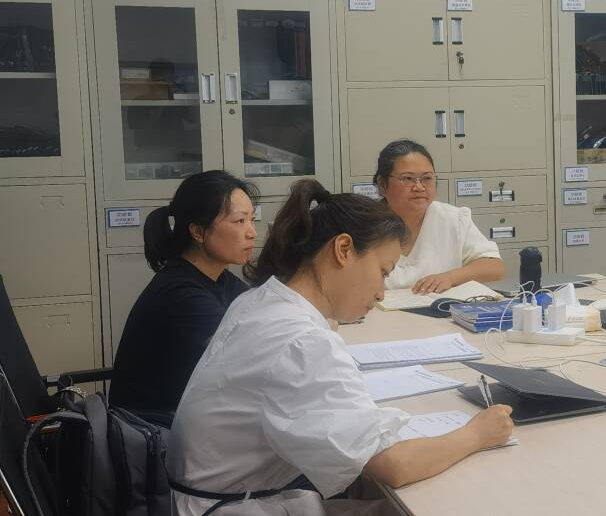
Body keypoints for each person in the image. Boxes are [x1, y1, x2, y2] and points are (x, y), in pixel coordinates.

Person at [169, 179, 513, 514]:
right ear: (343, 249)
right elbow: (391, 465)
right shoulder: (301, 340)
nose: (380, 292)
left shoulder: (262, 300)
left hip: (222, 495)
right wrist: (476, 435)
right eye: (382, 271)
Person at [110, 170, 258, 415]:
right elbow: (251, 351)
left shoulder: (220, 279)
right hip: (154, 430)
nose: (252, 232)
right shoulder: (180, 294)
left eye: (252, 219)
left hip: (188, 416)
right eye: (240, 221)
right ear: (198, 232)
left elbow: (265, 316)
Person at [375, 139, 504, 294]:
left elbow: (494, 266)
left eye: (427, 178)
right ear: (382, 184)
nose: (419, 187)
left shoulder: (453, 218)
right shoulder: (363, 223)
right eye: (408, 178)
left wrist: (449, 277)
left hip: (439, 308)